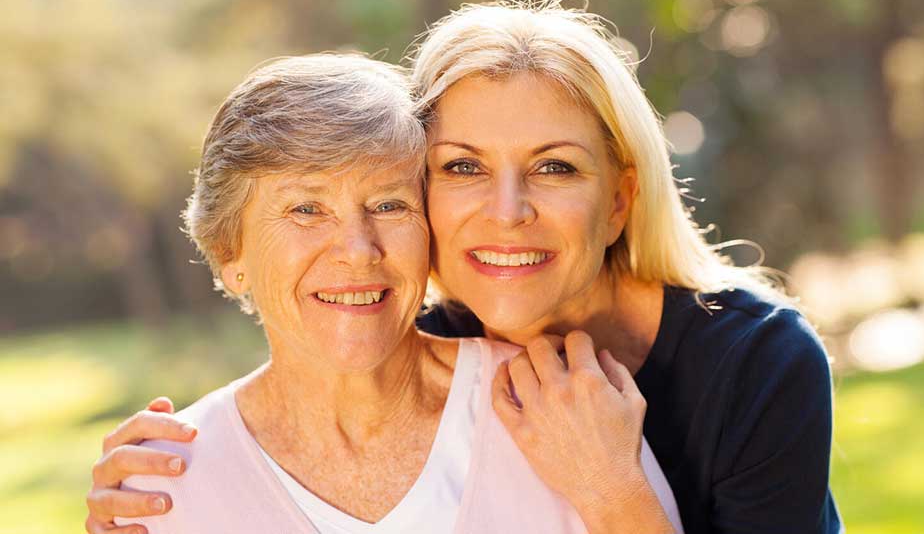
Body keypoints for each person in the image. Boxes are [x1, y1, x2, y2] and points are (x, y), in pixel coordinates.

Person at [87, 0, 842, 533]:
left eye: (553, 168)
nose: (506, 211)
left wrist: (612, 489)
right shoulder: (428, 334)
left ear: (619, 200)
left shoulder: (758, 361)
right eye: (461, 167)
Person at [93, 52, 680, 534]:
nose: (358, 248)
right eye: (305, 209)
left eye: (388, 205)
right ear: (230, 254)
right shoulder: (165, 485)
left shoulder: (566, 411)